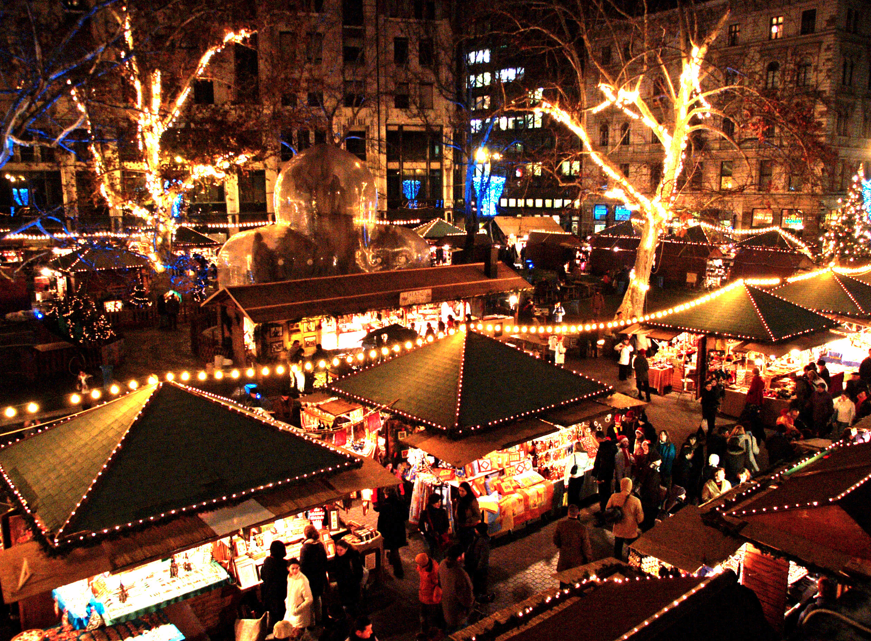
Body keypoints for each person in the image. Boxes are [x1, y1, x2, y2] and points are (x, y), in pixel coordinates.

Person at [438, 545, 474, 632]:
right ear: (459, 558)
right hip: (458, 614)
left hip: (446, 606)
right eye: (463, 555)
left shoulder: (442, 564)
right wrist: (470, 607)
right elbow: (466, 598)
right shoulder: (460, 574)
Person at [606, 478, 644, 560]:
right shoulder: (636, 501)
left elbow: (608, 509)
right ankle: (629, 562)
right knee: (632, 550)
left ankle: (617, 562)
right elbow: (640, 518)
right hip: (631, 530)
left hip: (618, 528)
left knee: (618, 547)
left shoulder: (614, 496)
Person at [375, 487, 407, 579]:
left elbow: (381, 521)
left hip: (389, 531)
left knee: (394, 549)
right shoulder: (399, 503)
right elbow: (405, 516)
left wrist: (380, 532)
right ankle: (392, 559)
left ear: (386, 495)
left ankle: (399, 571)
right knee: (394, 548)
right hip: (399, 530)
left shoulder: (385, 506)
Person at [553, 504, 593, 579]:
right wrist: (588, 558)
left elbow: (555, 540)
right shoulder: (582, 528)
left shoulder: (560, 524)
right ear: (578, 513)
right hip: (577, 561)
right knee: (575, 581)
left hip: (564, 559)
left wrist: (561, 546)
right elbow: (586, 546)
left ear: (568, 513)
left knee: (563, 581)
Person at [299, 525, 328, 626]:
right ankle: (320, 620)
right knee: (318, 598)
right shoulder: (320, 545)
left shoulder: (305, 548)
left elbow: (302, 566)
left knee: (310, 601)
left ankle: (312, 623)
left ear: (306, 534)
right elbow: (325, 560)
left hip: (310, 579)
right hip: (320, 577)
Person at [329, 539, 364, 617]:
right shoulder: (338, 556)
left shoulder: (352, 557)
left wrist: (354, 582)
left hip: (352, 586)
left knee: (353, 605)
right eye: (337, 549)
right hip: (343, 585)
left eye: (341, 550)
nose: (338, 552)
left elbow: (359, 571)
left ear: (346, 549)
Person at [261, 540, 289, 627]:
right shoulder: (285, 565)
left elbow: (263, 577)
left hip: (270, 599)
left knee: (275, 623)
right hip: (282, 597)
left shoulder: (266, 563)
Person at [415, 553, 442, 637]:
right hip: (424, 595)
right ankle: (425, 631)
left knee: (429, 617)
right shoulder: (428, 565)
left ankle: (431, 634)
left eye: (418, 564)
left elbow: (436, 584)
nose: (417, 566)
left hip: (429, 598)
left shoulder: (431, 573)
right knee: (424, 615)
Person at [465, 522, 493, 602]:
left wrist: (479, 567)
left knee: (480, 582)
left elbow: (484, 557)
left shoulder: (483, 541)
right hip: (475, 564)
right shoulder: (478, 538)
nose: (475, 530)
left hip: (479, 567)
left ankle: (481, 597)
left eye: (476, 529)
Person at [285, 558, 313, 633]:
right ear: (288, 569)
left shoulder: (303, 580)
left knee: (299, 635)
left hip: (299, 615)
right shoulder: (290, 578)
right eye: (293, 568)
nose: (295, 571)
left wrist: (297, 610)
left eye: (297, 568)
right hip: (290, 613)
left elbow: (309, 599)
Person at [592, 430, 617, 514]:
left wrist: (600, 477)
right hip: (609, 475)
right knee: (606, 493)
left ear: (599, 438)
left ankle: (604, 511)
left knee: (603, 494)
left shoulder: (604, 448)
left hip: (604, 476)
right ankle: (604, 509)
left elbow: (603, 463)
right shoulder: (611, 446)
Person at [419, 493, 450, 560]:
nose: (439, 503)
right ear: (432, 503)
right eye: (437, 502)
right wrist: (428, 534)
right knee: (431, 555)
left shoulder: (442, 512)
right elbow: (421, 526)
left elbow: (446, 524)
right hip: (430, 539)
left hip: (440, 538)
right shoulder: (425, 513)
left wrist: (441, 533)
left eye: (440, 501)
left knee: (440, 556)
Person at [454, 482, 481, 552]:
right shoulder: (459, 499)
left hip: (469, 528)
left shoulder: (472, 501)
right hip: (460, 526)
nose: (460, 493)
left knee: (469, 547)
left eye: (463, 491)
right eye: (459, 490)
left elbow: (478, 516)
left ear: (467, 491)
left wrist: (468, 520)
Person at [638, 454, 663, 531]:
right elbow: (652, 488)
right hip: (651, 501)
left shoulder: (647, 469)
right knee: (649, 519)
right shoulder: (654, 473)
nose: (661, 462)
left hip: (646, 499)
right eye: (659, 460)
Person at [743, 368, 766, 443]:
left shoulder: (755, 379)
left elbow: (752, 389)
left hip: (754, 397)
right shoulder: (761, 379)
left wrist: (749, 393)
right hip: (759, 397)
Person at [563, 442, 588, 508]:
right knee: (577, 494)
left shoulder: (574, 456)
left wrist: (566, 481)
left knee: (572, 497)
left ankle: (572, 511)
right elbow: (586, 465)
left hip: (574, 478)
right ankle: (577, 511)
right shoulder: (585, 455)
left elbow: (568, 469)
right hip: (581, 476)